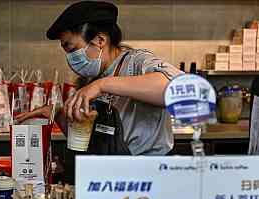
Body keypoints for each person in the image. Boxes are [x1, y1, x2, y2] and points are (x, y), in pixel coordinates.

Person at [16, 1, 183, 166]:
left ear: (100, 40)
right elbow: (94, 143)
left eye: (73, 49)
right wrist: (59, 114)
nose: (71, 59)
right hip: (110, 175)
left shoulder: (137, 62)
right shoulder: (91, 78)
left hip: (147, 175)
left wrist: (102, 85)